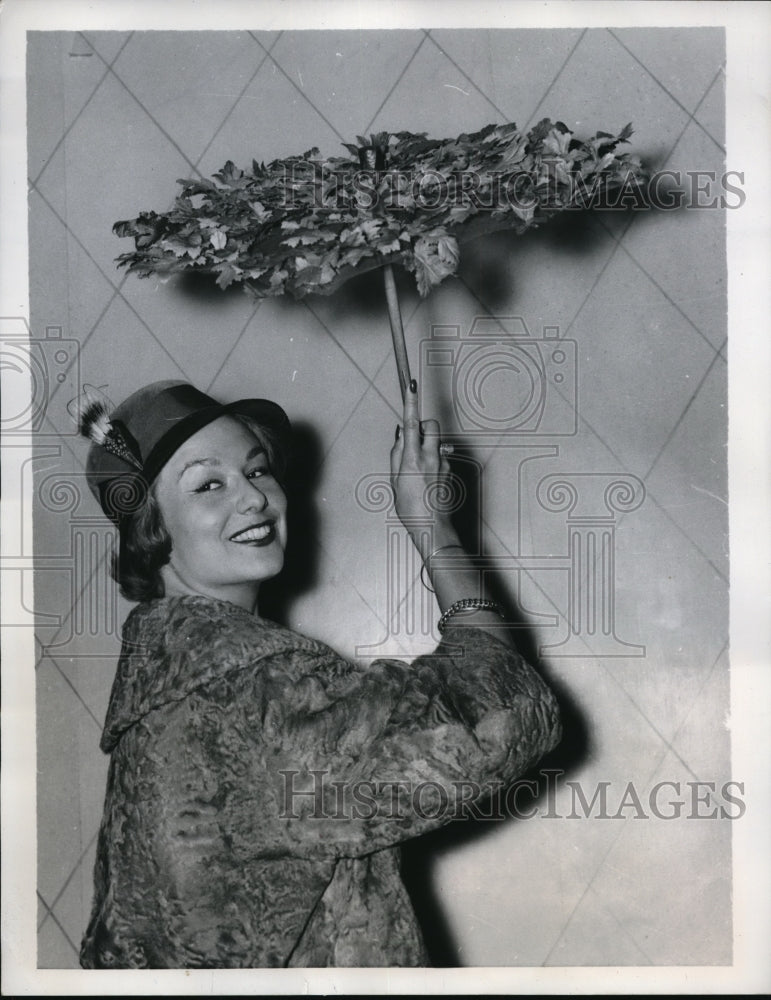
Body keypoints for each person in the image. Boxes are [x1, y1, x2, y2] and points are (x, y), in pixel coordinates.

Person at [76, 378, 561, 969]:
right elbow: (491, 718)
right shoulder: (250, 691)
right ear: (151, 530)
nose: (255, 498)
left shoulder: (166, 689)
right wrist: (435, 531)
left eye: (257, 471)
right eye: (209, 484)